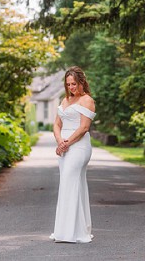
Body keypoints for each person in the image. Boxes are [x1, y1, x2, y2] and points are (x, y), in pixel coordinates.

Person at [49, 66, 96, 243]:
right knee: (69, 183)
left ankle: (70, 232)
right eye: (68, 84)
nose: (71, 88)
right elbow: (56, 124)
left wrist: (67, 143)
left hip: (79, 147)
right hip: (64, 145)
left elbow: (84, 127)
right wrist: (60, 140)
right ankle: (72, 229)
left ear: (82, 82)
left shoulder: (87, 100)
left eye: (74, 84)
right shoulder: (65, 100)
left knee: (69, 181)